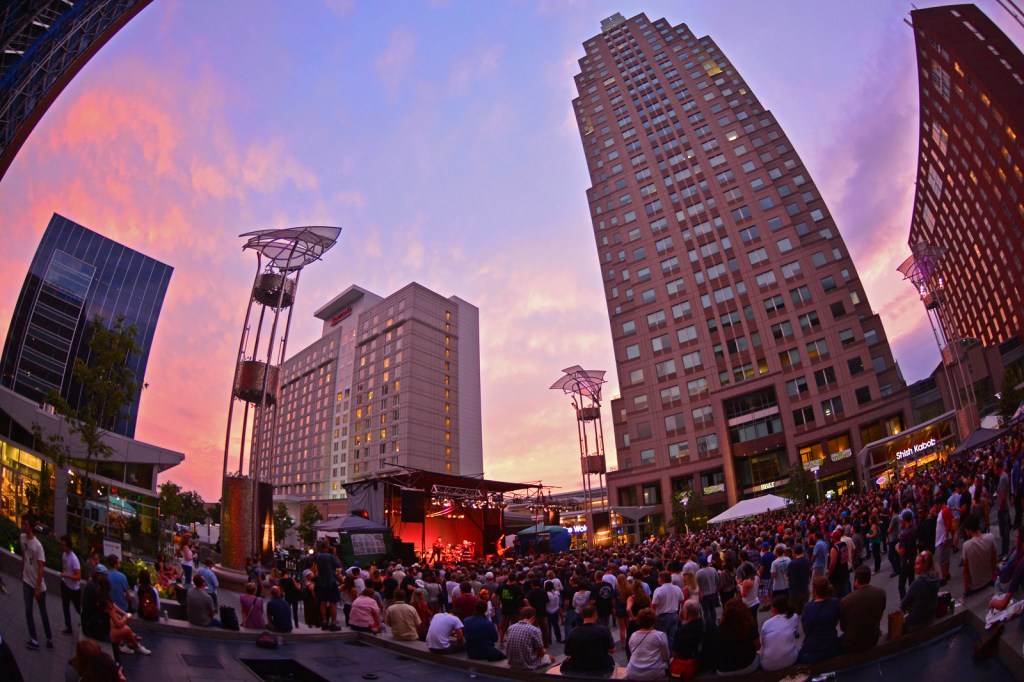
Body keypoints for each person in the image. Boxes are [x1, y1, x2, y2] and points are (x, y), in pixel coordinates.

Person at [20, 517, 52, 651]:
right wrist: (23, 568)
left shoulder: (38, 546)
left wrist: (37, 588)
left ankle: (49, 638)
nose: (23, 526)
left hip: (38, 585)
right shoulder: (22, 538)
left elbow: (41, 568)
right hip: (26, 580)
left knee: (43, 612)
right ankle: (34, 639)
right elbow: (24, 554)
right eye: (23, 524)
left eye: (26, 524)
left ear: (31, 527)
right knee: (28, 610)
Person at [839, 565, 887, 653]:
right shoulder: (880, 593)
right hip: (873, 637)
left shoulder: (845, 601)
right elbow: (880, 615)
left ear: (856, 580)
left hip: (853, 643)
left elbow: (843, 627)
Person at [708, 598, 759, 676]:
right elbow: (758, 646)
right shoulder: (749, 627)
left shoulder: (718, 630)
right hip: (748, 665)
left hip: (723, 670)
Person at [561, 604, 615, 675]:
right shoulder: (604, 630)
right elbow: (612, 650)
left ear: (582, 616)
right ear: (594, 615)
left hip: (579, 667)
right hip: (601, 667)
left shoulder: (573, 632)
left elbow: (567, 652)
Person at [798, 577, 841, 663]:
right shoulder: (835, 602)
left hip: (814, 650)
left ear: (814, 591)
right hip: (832, 646)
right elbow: (836, 621)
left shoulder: (808, 607)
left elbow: (805, 629)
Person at [901, 550, 940, 633]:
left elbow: (903, 604)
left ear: (925, 565)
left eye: (917, 564)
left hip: (916, 624)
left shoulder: (918, 583)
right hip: (931, 618)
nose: (914, 567)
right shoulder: (936, 578)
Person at [506, 606, 554, 671]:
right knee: (552, 658)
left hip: (512, 663)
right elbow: (540, 654)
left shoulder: (510, 628)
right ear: (533, 618)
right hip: (528, 664)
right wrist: (545, 653)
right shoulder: (534, 630)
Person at [759, 595, 799, 672]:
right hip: (791, 659)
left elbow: (762, 643)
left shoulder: (767, 623)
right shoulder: (794, 617)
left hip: (768, 665)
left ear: (774, 609)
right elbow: (795, 633)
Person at [962, 513, 998, 596]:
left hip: (975, 586)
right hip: (989, 580)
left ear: (969, 530)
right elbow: (994, 560)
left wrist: (966, 590)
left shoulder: (966, 545)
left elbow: (965, 571)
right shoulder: (990, 537)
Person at [670, 599, 703, 681]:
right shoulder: (710, 624)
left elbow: (675, 653)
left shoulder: (682, 631)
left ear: (686, 613)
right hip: (706, 661)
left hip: (690, 664)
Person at [313, 540, 342, 631]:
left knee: (323, 603)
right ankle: (333, 623)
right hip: (331, 582)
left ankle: (324, 622)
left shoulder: (318, 556)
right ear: (327, 546)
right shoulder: (330, 556)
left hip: (322, 583)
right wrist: (334, 554)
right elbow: (338, 565)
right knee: (333, 603)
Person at [57, 535, 82, 636]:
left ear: (68, 546)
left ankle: (86, 621)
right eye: (61, 545)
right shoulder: (64, 555)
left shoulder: (74, 559)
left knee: (78, 608)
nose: (61, 547)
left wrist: (66, 575)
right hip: (65, 585)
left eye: (63, 545)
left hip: (74, 589)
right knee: (65, 606)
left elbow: (78, 577)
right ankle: (68, 627)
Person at [651, 570, 683, 644]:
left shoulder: (658, 590)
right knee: (671, 637)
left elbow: (654, 605)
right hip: (674, 614)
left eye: (659, 578)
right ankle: (670, 650)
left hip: (662, 615)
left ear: (662, 579)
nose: (657, 579)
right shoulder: (677, 588)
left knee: (659, 637)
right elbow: (681, 600)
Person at [695, 556, 720, 627]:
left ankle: (707, 626)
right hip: (713, 592)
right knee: (713, 609)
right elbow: (717, 580)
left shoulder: (699, 573)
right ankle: (714, 624)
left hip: (704, 594)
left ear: (700, 564)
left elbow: (697, 585)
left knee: (706, 611)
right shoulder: (713, 570)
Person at [788, 543, 811, 614]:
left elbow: (789, 576)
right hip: (805, 589)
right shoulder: (807, 560)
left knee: (795, 613)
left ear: (794, 551)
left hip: (795, 591)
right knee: (804, 611)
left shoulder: (792, 563)